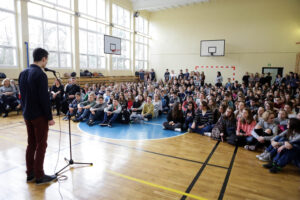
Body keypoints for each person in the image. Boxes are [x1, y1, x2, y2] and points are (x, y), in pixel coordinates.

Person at [18, 48, 57, 185]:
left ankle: (30, 173)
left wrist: (25, 111)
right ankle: (40, 176)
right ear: (44, 59)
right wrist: (49, 117)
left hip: (27, 114)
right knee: (41, 145)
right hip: (39, 116)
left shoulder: (23, 73)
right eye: (47, 59)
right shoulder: (40, 74)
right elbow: (44, 99)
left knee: (31, 144)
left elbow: (22, 96)